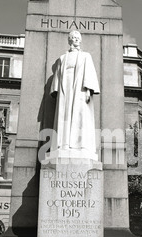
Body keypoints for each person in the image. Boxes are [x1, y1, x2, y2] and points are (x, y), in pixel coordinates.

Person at [50, 30, 100, 159]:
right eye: (73, 37)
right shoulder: (62, 58)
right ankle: (62, 145)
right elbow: (58, 76)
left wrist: (88, 89)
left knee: (80, 116)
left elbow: (89, 72)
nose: (76, 39)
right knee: (64, 116)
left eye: (78, 37)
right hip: (65, 89)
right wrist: (56, 91)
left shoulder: (86, 56)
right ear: (69, 40)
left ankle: (81, 145)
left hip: (80, 89)